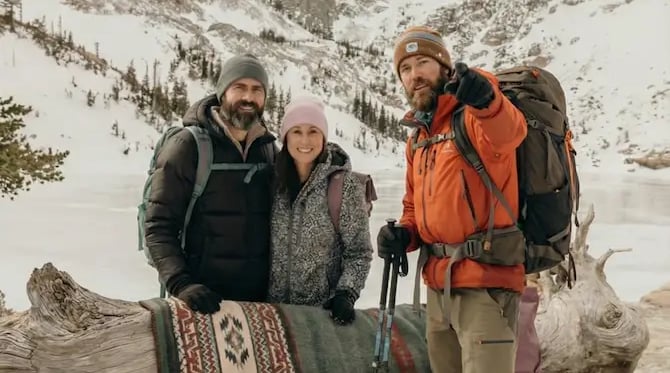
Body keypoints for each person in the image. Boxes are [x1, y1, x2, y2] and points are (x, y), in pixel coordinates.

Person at [376, 26, 528, 372]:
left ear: (444, 67)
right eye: (405, 68)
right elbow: (414, 207)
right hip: (438, 290)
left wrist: (486, 100)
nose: (414, 75)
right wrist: (405, 234)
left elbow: (510, 132)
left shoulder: (474, 116)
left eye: (422, 62)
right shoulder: (418, 138)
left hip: (486, 286)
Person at [143, 54, 277, 314]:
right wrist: (182, 284)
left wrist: (340, 174)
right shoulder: (188, 146)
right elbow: (158, 226)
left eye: (256, 90)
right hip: (200, 302)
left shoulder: (268, 148)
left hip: (258, 304)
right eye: (239, 87)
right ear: (222, 92)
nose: (248, 97)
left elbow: (305, 197)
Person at [267, 95, 373, 325]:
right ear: (285, 137)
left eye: (313, 131)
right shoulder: (271, 183)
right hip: (272, 315)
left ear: (324, 137)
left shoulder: (342, 186)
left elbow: (359, 252)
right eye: (296, 131)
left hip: (321, 318)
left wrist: (346, 294)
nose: (305, 140)